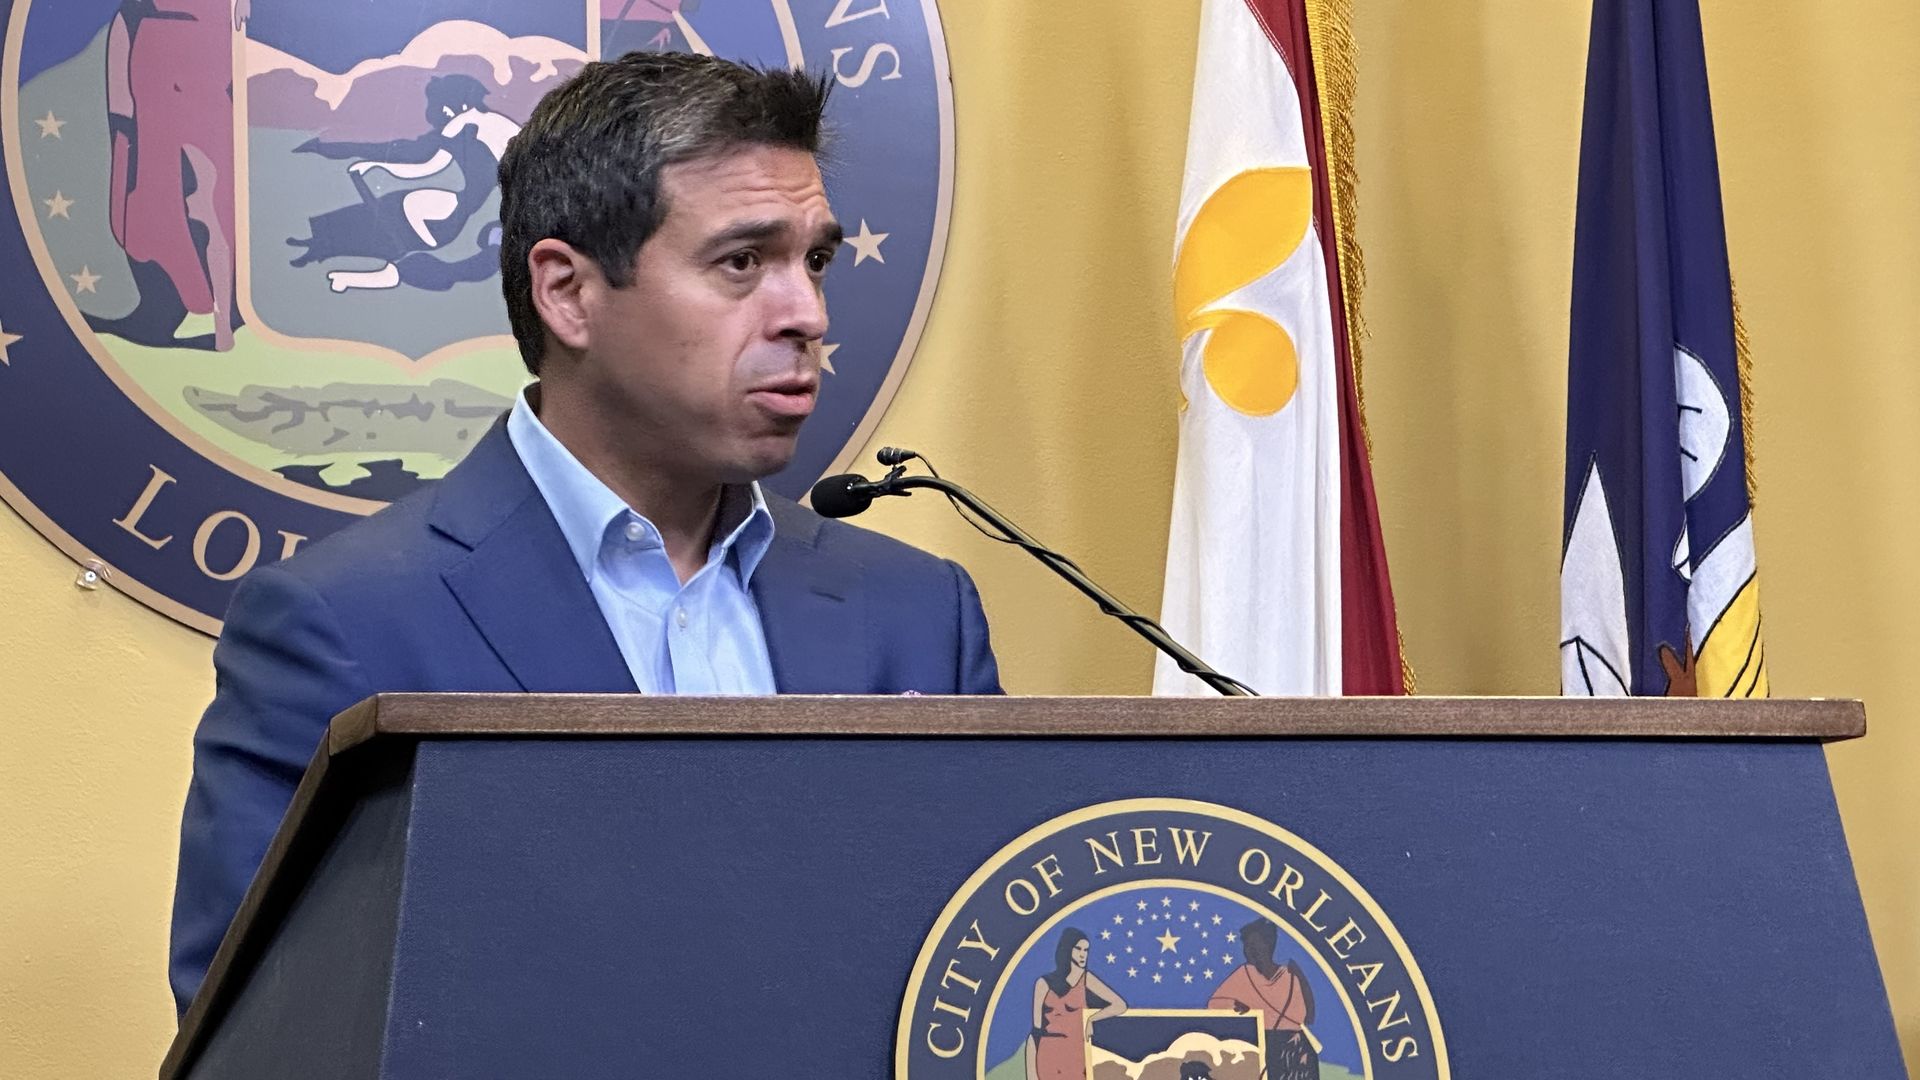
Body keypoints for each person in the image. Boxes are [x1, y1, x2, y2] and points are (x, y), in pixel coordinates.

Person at [168, 52, 1002, 1016]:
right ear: (567, 293)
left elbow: (973, 990)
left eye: (813, 260)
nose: (807, 313)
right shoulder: (343, 627)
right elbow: (265, 1035)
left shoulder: (917, 614)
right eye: (743, 262)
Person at [1207, 920, 1318, 1080]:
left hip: (1289, 1047)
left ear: (1269, 945)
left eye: (1254, 945)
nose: (1249, 951)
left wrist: (1260, 1011)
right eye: (1246, 946)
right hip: (1257, 1043)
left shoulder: (1291, 976)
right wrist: (1235, 1007)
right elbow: (1214, 1004)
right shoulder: (1243, 974)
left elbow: (1301, 1015)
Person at [1028, 929, 1127, 1080]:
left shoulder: (1087, 979)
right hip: (1048, 1055)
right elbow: (1035, 1033)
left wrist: (1091, 1018)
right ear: (1067, 949)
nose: (1083, 954)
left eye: (1086, 950)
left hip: (1076, 1057)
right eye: (1078, 949)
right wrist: (1031, 1074)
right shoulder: (1043, 983)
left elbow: (1120, 1005)